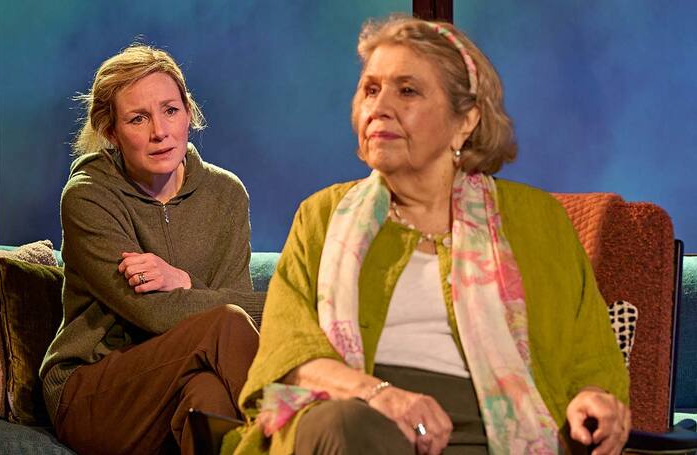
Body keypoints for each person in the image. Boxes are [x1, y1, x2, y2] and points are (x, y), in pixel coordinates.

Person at [230, 16, 630, 455]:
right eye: (370, 89)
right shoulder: (321, 215)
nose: (379, 107)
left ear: (466, 121)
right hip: (358, 420)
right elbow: (289, 350)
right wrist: (379, 394)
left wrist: (595, 402)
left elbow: (592, 360)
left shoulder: (539, 221)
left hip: (499, 434)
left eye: (407, 90)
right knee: (342, 427)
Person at [39, 44, 261, 454]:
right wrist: (218, 301)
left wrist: (183, 282)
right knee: (224, 324)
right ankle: (304, 436)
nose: (160, 132)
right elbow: (152, 310)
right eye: (138, 119)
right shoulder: (90, 196)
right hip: (94, 390)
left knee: (210, 394)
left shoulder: (226, 194)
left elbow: (242, 301)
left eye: (170, 111)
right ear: (111, 132)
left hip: (185, 376)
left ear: (188, 113)